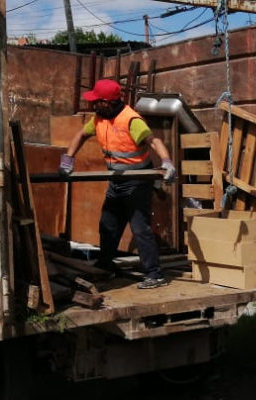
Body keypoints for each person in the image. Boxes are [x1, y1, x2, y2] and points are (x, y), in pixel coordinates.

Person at [60, 78, 176, 289]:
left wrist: (167, 162)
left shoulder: (131, 120)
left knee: (140, 229)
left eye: (97, 101)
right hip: (117, 180)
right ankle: (106, 266)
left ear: (109, 102)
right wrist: (68, 159)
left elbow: (154, 141)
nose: (93, 105)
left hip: (138, 180)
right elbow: (81, 135)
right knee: (108, 225)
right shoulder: (98, 119)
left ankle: (155, 274)